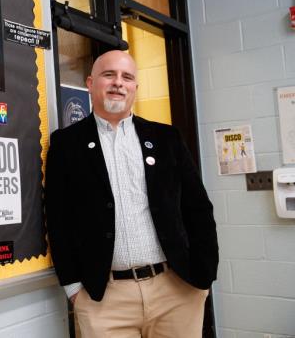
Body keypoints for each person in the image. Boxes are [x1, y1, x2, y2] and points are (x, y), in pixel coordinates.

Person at [44, 50, 218, 337]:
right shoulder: (66, 145)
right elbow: (58, 219)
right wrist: (73, 288)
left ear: (136, 87)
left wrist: (204, 276)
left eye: (127, 77)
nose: (118, 83)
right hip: (104, 299)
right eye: (108, 74)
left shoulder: (167, 139)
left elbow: (198, 209)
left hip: (176, 293)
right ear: (90, 83)